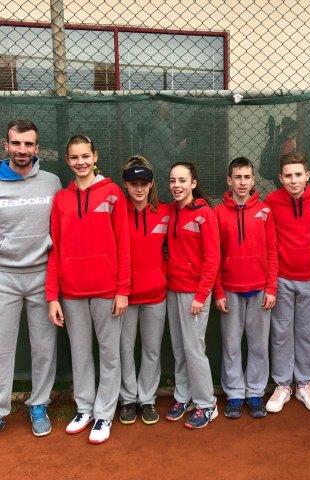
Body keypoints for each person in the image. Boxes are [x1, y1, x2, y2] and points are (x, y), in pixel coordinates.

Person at [0, 119, 61, 452]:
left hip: (43, 278)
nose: (23, 150)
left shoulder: (52, 182)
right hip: (3, 279)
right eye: (17, 144)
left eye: (29, 144)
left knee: (44, 347)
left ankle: (39, 404)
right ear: (6, 146)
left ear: (37, 148)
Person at [45, 135, 130, 444]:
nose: (80, 162)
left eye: (85, 156)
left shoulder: (113, 193)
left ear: (95, 157)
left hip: (107, 289)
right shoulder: (61, 198)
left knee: (109, 354)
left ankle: (104, 412)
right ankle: (85, 408)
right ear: (68, 161)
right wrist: (52, 296)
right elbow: (54, 248)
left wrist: (122, 290)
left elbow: (123, 244)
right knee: (80, 353)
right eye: (74, 157)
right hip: (72, 291)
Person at [214, 157, 278, 419]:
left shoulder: (265, 211)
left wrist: (271, 287)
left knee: (258, 345)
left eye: (247, 177)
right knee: (231, 345)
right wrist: (218, 291)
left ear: (253, 181)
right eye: (237, 177)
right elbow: (215, 256)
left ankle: (254, 392)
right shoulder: (218, 213)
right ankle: (234, 393)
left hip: (260, 289)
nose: (242, 182)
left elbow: (272, 251)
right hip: (230, 290)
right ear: (229, 181)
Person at [264, 153, 310, 414]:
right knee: (281, 332)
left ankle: (304, 384)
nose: (293, 180)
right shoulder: (271, 201)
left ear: (307, 175)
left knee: (308, 332)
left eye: (298, 175)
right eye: (288, 176)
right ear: (280, 178)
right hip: (282, 277)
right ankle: (282, 385)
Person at [165, 161, 220, 429]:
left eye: (182, 181)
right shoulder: (171, 211)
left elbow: (212, 258)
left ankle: (207, 403)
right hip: (173, 290)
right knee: (179, 348)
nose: (177, 186)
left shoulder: (204, 213)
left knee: (194, 349)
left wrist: (201, 295)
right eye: (173, 181)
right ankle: (183, 396)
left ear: (193, 184)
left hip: (194, 294)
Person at [118, 155, 170, 426]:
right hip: (125, 296)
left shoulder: (165, 212)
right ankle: (128, 399)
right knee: (125, 349)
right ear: (126, 185)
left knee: (151, 349)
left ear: (151, 184)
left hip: (155, 294)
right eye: (133, 183)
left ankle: (147, 398)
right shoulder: (117, 213)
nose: (138, 189)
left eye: (143, 183)